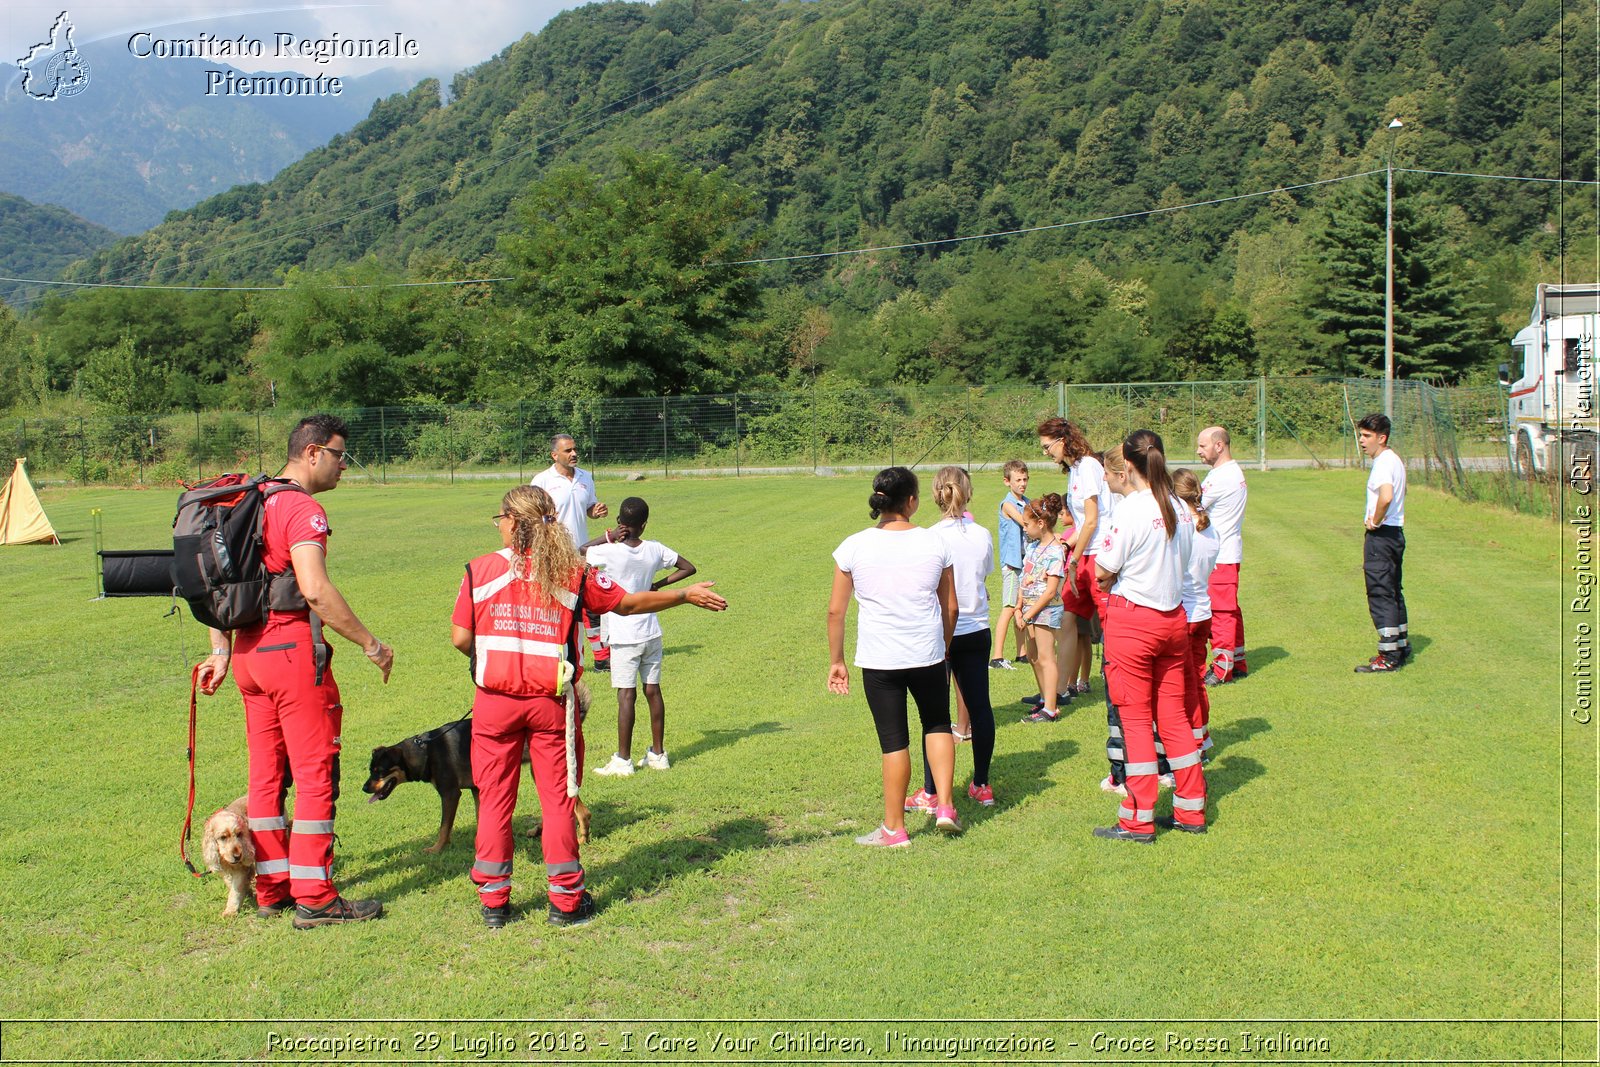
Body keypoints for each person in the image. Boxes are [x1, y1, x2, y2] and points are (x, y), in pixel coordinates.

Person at [452, 485, 726, 927]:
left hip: (494, 705)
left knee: (496, 800)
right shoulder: (571, 571)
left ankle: (494, 902)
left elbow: (461, 638)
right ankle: (565, 901)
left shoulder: (478, 570)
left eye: (498, 517)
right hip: (551, 707)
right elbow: (627, 603)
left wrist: (498, 655)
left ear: (512, 521)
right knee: (559, 801)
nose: (497, 525)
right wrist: (683, 595)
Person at [196, 415, 394, 928]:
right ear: (311, 453)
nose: (343, 465)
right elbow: (314, 589)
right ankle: (316, 896)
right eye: (339, 455)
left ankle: (272, 887)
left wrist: (219, 652)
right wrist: (370, 644)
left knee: (265, 779)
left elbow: (215, 586)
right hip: (290, 653)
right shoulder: (301, 508)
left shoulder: (247, 499)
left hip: (246, 654)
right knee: (313, 777)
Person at [827, 467, 960, 846]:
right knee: (937, 723)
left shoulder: (853, 545)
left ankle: (894, 828)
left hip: (880, 658)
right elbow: (950, 605)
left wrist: (837, 661)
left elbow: (836, 611)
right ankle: (946, 806)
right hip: (928, 653)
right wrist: (944, 644)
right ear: (913, 501)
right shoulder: (936, 543)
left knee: (893, 740)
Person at [1093, 429, 1205, 843]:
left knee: (1136, 721)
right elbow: (1186, 560)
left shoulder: (1131, 509)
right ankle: (1191, 810)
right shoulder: (1177, 504)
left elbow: (1104, 568)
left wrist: (1113, 579)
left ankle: (1138, 818)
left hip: (1134, 622)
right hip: (1173, 619)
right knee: (1175, 719)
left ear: (1128, 461)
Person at [581, 497, 697, 775]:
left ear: (620, 523)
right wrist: (656, 585)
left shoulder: (609, 552)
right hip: (651, 630)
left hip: (622, 632)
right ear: (644, 525)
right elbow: (688, 568)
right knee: (653, 691)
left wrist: (606, 537)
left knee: (626, 696)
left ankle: (623, 760)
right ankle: (658, 754)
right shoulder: (655, 549)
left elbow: (580, 551)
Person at [916, 467, 998, 807]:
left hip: (940, 632)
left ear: (936, 494)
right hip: (977, 629)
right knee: (980, 708)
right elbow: (984, 573)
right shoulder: (982, 534)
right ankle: (981, 783)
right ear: (968, 492)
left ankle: (931, 791)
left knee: (934, 714)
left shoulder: (929, 537)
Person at [530, 433, 611, 671]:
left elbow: (588, 508)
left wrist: (596, 511)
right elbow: (533, 516)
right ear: (554, 455)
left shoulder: (586, 476)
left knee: (590, 605)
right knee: (558, 607)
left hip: (584, 553)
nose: (574, 454)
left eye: (574, 449)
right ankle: (558, 657)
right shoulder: (542, 480)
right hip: (554, 553)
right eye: (567, 451)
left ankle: (600, 657)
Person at [1039, 418, 1105, 702]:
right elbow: (1080, 525)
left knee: (1110, 623)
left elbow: (1093, 521)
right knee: (1066, 619)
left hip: (1100, 556)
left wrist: (1075, 560)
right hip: (1084, 553)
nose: (1045, 452)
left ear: (1062, 440)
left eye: (1047, 446)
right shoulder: (1074, 470)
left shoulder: (1089, 466)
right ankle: (1061, 689)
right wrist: (1064, 544)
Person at [1355, 413, 1409, 672]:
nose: (1362, 441)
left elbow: (1386, 497)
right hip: (1396, 533)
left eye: (1367, 436)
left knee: (1380, 592)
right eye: (1361, 435)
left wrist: (1374, 521)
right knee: (1394, 590)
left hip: (1383, 534)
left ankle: (1388, 655)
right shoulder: (1395, 459)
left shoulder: (1383, 463)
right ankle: (1400, 644)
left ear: (1382, 437)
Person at [1173, 468, 1220, 755]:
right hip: (1203, 610)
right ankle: (1201, 736)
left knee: (1184, 685)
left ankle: (1193, 743)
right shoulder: (1209, 527)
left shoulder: (1185, 529)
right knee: (1197, 680)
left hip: (1186, 615)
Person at [1196, 426, 1248, 685]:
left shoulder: (1221, 477)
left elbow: (1193, 506)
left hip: (1221, 556)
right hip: (1227, 552)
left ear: (1219, 446)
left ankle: (1221, 669)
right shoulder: (1227, 472)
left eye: (1202, 446)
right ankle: (1237, 661)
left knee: (1221, 612)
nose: (1198, 451)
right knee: (1230, 610)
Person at [1016, 493, 1068, 723]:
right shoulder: (1033, 547)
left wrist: (1028, 613)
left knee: (1047, 658)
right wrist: (1019, 606)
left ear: (1041, 523)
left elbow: (1050, 591)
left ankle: (1050, 708)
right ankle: (1044, 700)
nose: (1024, 528)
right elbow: (1025, 577)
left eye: (1027, 524)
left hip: (1045, 611)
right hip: (1028, 611)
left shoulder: (1056, 551)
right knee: (1034, 657)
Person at [989, 460, 1031, 670]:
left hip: (1024, 563)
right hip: (1013, 564)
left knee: (1019, 608)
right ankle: (996, 656)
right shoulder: (1008, 504)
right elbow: (1026, 522)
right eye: (1018, 480)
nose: (1022, 484)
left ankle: (1021, 652)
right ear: (1007, 482)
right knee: (1008, 607)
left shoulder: (1027, 501)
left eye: (1025, 479)